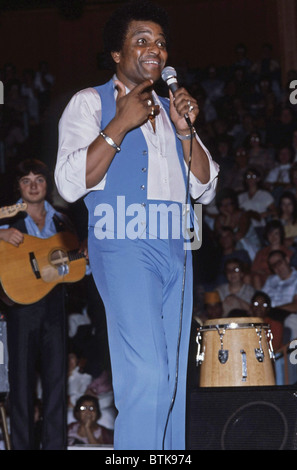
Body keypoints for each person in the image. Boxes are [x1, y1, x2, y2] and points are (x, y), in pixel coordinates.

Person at [55, 0, 219, 450]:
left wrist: (186, 131)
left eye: (161, 43)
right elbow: (69, 184)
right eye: (142, 41)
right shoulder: (90, 102)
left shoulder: (172, 110)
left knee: (171, 379)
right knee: (145, 373)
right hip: (123, 243)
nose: (155, 50)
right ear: (116, 53)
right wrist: (119, 125)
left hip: (175, 251)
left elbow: (205, 186)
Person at [0, 158, 74, 450]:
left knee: (57, 386)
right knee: (20, 387)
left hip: (56, 309)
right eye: (26, 181)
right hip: (21, 310)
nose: (33, 186)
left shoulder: (63, 220)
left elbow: (75, 265)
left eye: (39, 180)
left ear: (48, 184)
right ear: (17, 186)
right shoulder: (7, 218)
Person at [262, 250, 297, 342]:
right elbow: (261, 298)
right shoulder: (270, 280)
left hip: (287, 314)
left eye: (279, 262)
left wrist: (273, 310)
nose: (277, 267)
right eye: (273, 265)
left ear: (287, 260)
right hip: (269, 313)